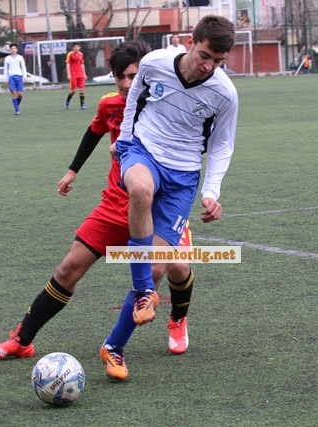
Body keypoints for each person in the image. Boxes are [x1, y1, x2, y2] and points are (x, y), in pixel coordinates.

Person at [0, 41, 194, 381]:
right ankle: (21, 340)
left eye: (133, 76)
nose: (126, 84)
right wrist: (72, 171)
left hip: (160, 206)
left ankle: (174, 321)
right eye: (120, 77)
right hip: (116, 203)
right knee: (69, 268)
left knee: (173, 269)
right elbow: (94, 132)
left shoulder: (168, 102)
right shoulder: (110, 104)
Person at [102, 15, 238, 380]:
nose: (208, 66)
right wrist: (125, 141)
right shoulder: (154, 62)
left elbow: (222, 144)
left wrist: (211, 191)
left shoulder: (225, 93)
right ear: (190, 42)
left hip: (183, 176)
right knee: (140, 189)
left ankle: (113, 347)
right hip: (143, 150)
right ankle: (144, 291)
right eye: (205, 55)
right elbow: (134, 98)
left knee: (158, 267)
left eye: (218, 61)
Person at [4, 43, 27, 115]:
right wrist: (5, 78)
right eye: (12, 48)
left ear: (16, 49)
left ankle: (16, 105)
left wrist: (25, 76)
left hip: (19, 76)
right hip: (11, 77)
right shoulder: (7, 58)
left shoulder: (20, 57)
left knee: (20, 94)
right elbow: (6, 69)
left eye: (14, 48)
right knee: (14, 93)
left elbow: (23, 67)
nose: (13, 50)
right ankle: (17, 110)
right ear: (10, 50)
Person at [65, 43, 87, 110]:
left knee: (82, 89)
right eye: (75, 47)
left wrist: (84, 74)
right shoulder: (70, 54)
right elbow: (68, 64)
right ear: (73, 48)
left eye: (78, 47)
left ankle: (82, 104)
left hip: (80, 73)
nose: (76, 48)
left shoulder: (81, 54)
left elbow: (82, 64)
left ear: (79, 47)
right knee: (73, 91)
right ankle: (67, 100)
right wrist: (68, 74)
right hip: (73, 74)